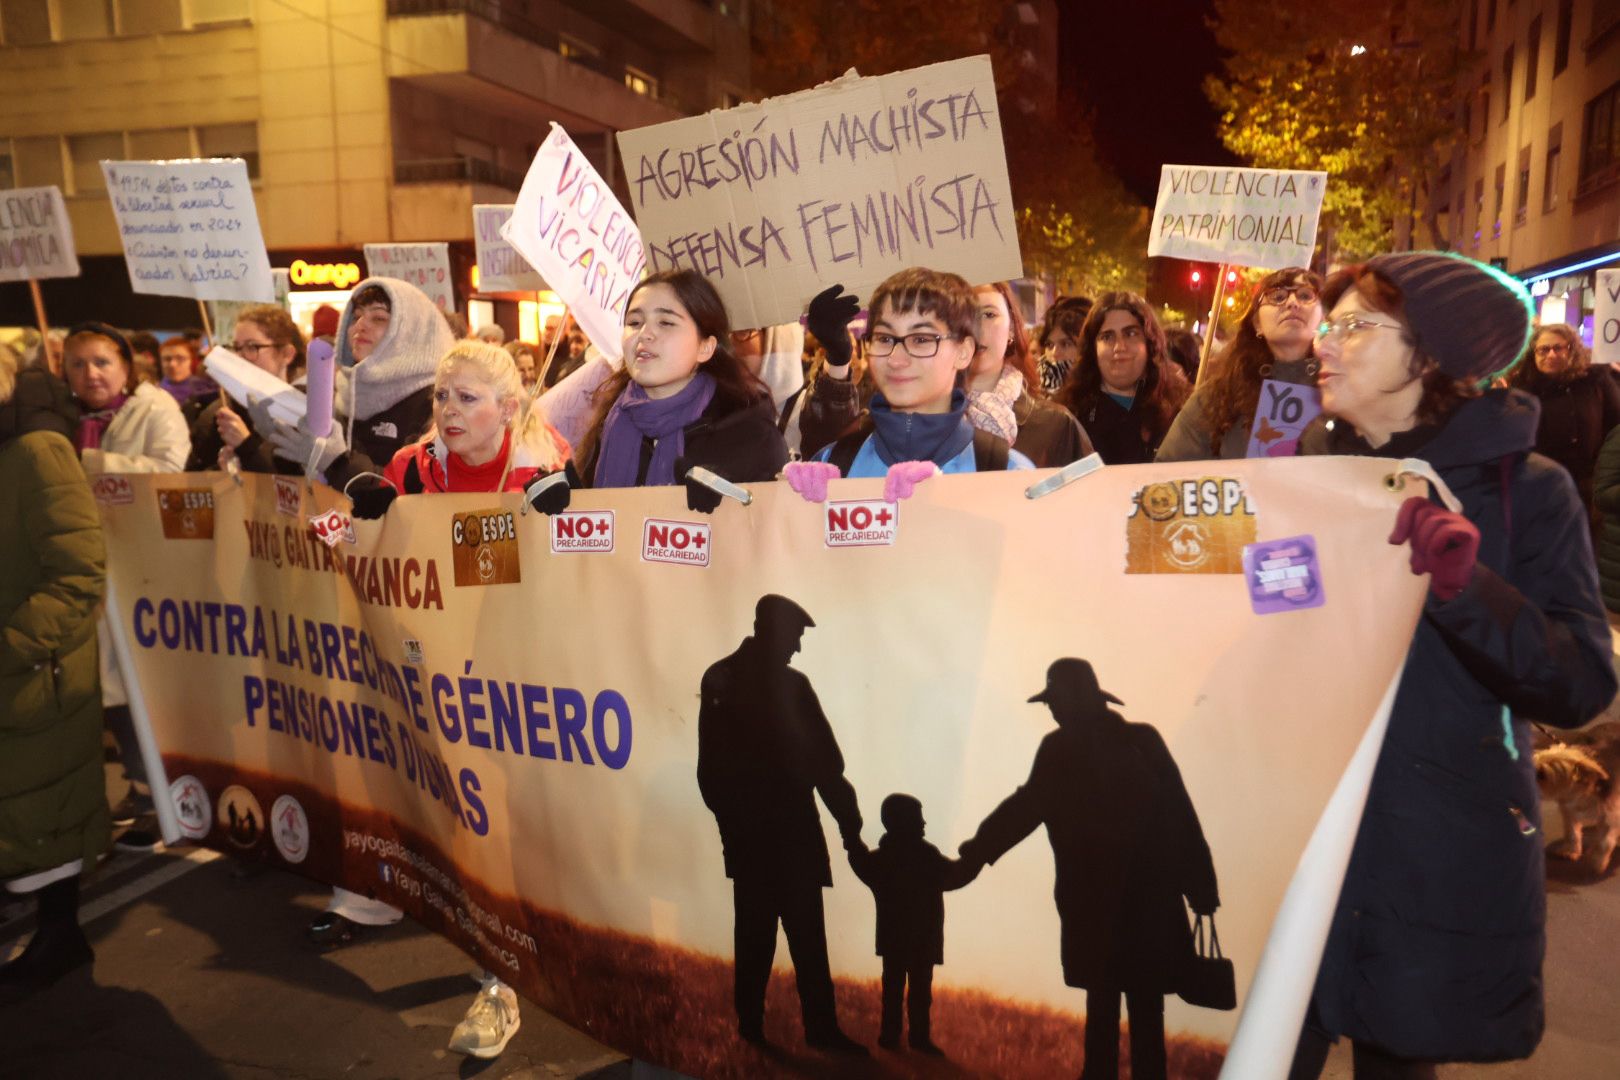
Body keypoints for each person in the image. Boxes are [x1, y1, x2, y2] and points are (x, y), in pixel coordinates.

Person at [1290, 252, 1618, 1078]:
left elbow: (1580, 680)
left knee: (1397, 1056)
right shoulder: (1304, 469)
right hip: (1295, 835)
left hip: (1431, 855)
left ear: (1430, 355)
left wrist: (1469, 589)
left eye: (1354, 325)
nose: (1324, 342)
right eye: (1328, 325)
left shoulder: (1531, 489)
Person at [347, 340, 567, 1060]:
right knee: (465, 827)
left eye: (466, 398)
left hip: (518, 678)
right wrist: (360, 510)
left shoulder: (541, 468)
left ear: (508, 409)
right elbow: (361, 550)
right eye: (443, 397)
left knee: (506, 829)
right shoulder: (411, 467)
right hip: (433, 675)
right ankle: (497, 969)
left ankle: (518, 971)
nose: (448, 410)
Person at [960, 659, 1220, 1080]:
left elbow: (1025, 808)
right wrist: (1201, 886)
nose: (1053, 711)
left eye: (1056, 702)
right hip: (1149, 899)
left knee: (1103, 999)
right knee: (1145, 1002)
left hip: (1094, 901)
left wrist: (975, 853)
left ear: (1074, 701)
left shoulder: (1060, 749)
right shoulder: (1143, 741)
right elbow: (1181, 815)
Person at [697, 594, 866, 1054]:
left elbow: (711, 777)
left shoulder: (724, 677)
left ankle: (755, 1028)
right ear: (773, 631)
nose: (797, 647)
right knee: (800, 940)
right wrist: (851, 831)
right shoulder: (780, 686)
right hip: (788, 840)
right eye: (794, 636)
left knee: (765, 938)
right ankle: (810, 1030)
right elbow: (828, 768)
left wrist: (736, 833)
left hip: (763, 841)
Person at [0, 342, 110, 1003]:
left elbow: (77, 573)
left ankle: (60, 935)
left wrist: (11, 646)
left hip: (36, 674)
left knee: (46, 807)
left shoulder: (38, 450)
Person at [790, 269, 1034, 500]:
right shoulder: (833, 467)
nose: (896, 359)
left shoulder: (1009, 475)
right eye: (884, 339)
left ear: (963, 351)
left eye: (921, 339)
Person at [572, 270, 788, 509]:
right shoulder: (610, 426)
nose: (645, 334)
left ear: (705, 347)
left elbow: (777, 532)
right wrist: (563, 509)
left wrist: (729, 508)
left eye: (665, 322)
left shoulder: (751, 436)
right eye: (634, 322)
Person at [252, 278, 453, 495]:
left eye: (378, 318)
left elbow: (408, 493)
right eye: (356, 316)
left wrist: (337, 462)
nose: (360, 326)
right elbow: (300, 491)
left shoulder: (436, 403)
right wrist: (273, 444)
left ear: (412, 332)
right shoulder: (337, 392)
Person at [847, 794, 979, 1055]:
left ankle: (890, 1034)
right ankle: (917, 1037)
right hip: (923, 939)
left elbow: (861, 863)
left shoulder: (885, 859)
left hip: (894, 937)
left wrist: (851, 841)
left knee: (893, 989)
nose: (924, 822)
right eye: (918, 817)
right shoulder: (926, 857)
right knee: (919, 993)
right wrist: (976, 857)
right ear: (905, 821)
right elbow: (956, 875)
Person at [1158, 268, 1325, 461]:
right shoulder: (1219, 395)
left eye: (1305, 296)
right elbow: (1170, 468)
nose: (1292, 303)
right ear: (1257, 324)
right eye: (1278, 297)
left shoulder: (1342, 388)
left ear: (1322, 316)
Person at [1505, 321, 1620, 527]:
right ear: (1534, 354)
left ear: (1572, 350)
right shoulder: (1522, 388)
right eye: (1543, 349)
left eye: (1558, 348)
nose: (1551, 355)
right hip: (1540, 483)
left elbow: (1615, 424)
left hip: (1588, 481)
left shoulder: (1595, 381)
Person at [968, 282, 1093, 467]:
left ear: (1011, 327)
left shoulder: (1055, 425)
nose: (975, 327)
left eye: (988, 314)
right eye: (963, 315)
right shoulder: (922, 423)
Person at [1055, 293, 1189, 464]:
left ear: (1149, 343)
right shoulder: (1069, 419)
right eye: (1107, 337)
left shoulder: (1179, 411)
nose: (1120, 347)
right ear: (1092, 348)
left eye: (1131, 334)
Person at [186, 304, 305, 475]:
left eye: (252, 347)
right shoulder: (222, 412)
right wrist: (220, 469)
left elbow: (297, 488)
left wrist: (245, 445)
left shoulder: (302, 412)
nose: (241, 357)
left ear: (287, 354)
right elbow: (192, 479)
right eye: (236, 348)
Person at [63, 323, 189, 475]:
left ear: (125, 368)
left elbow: (169, 469)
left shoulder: (156, 407)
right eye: (78, 364)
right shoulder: (59, 413)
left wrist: (95, 462)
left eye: (101, 363)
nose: (91, 374)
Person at [1035, 296, 1090, 394]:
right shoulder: (1031, 397)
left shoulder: (1101, 400)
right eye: (1049, 345)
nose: (1055, 353)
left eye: (1066, 344)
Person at [157, 335, 217, 419]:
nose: (172, 364)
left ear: (191, 360)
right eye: (167, 359)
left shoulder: (206, 390)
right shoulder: (154, 393)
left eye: (180, 358)